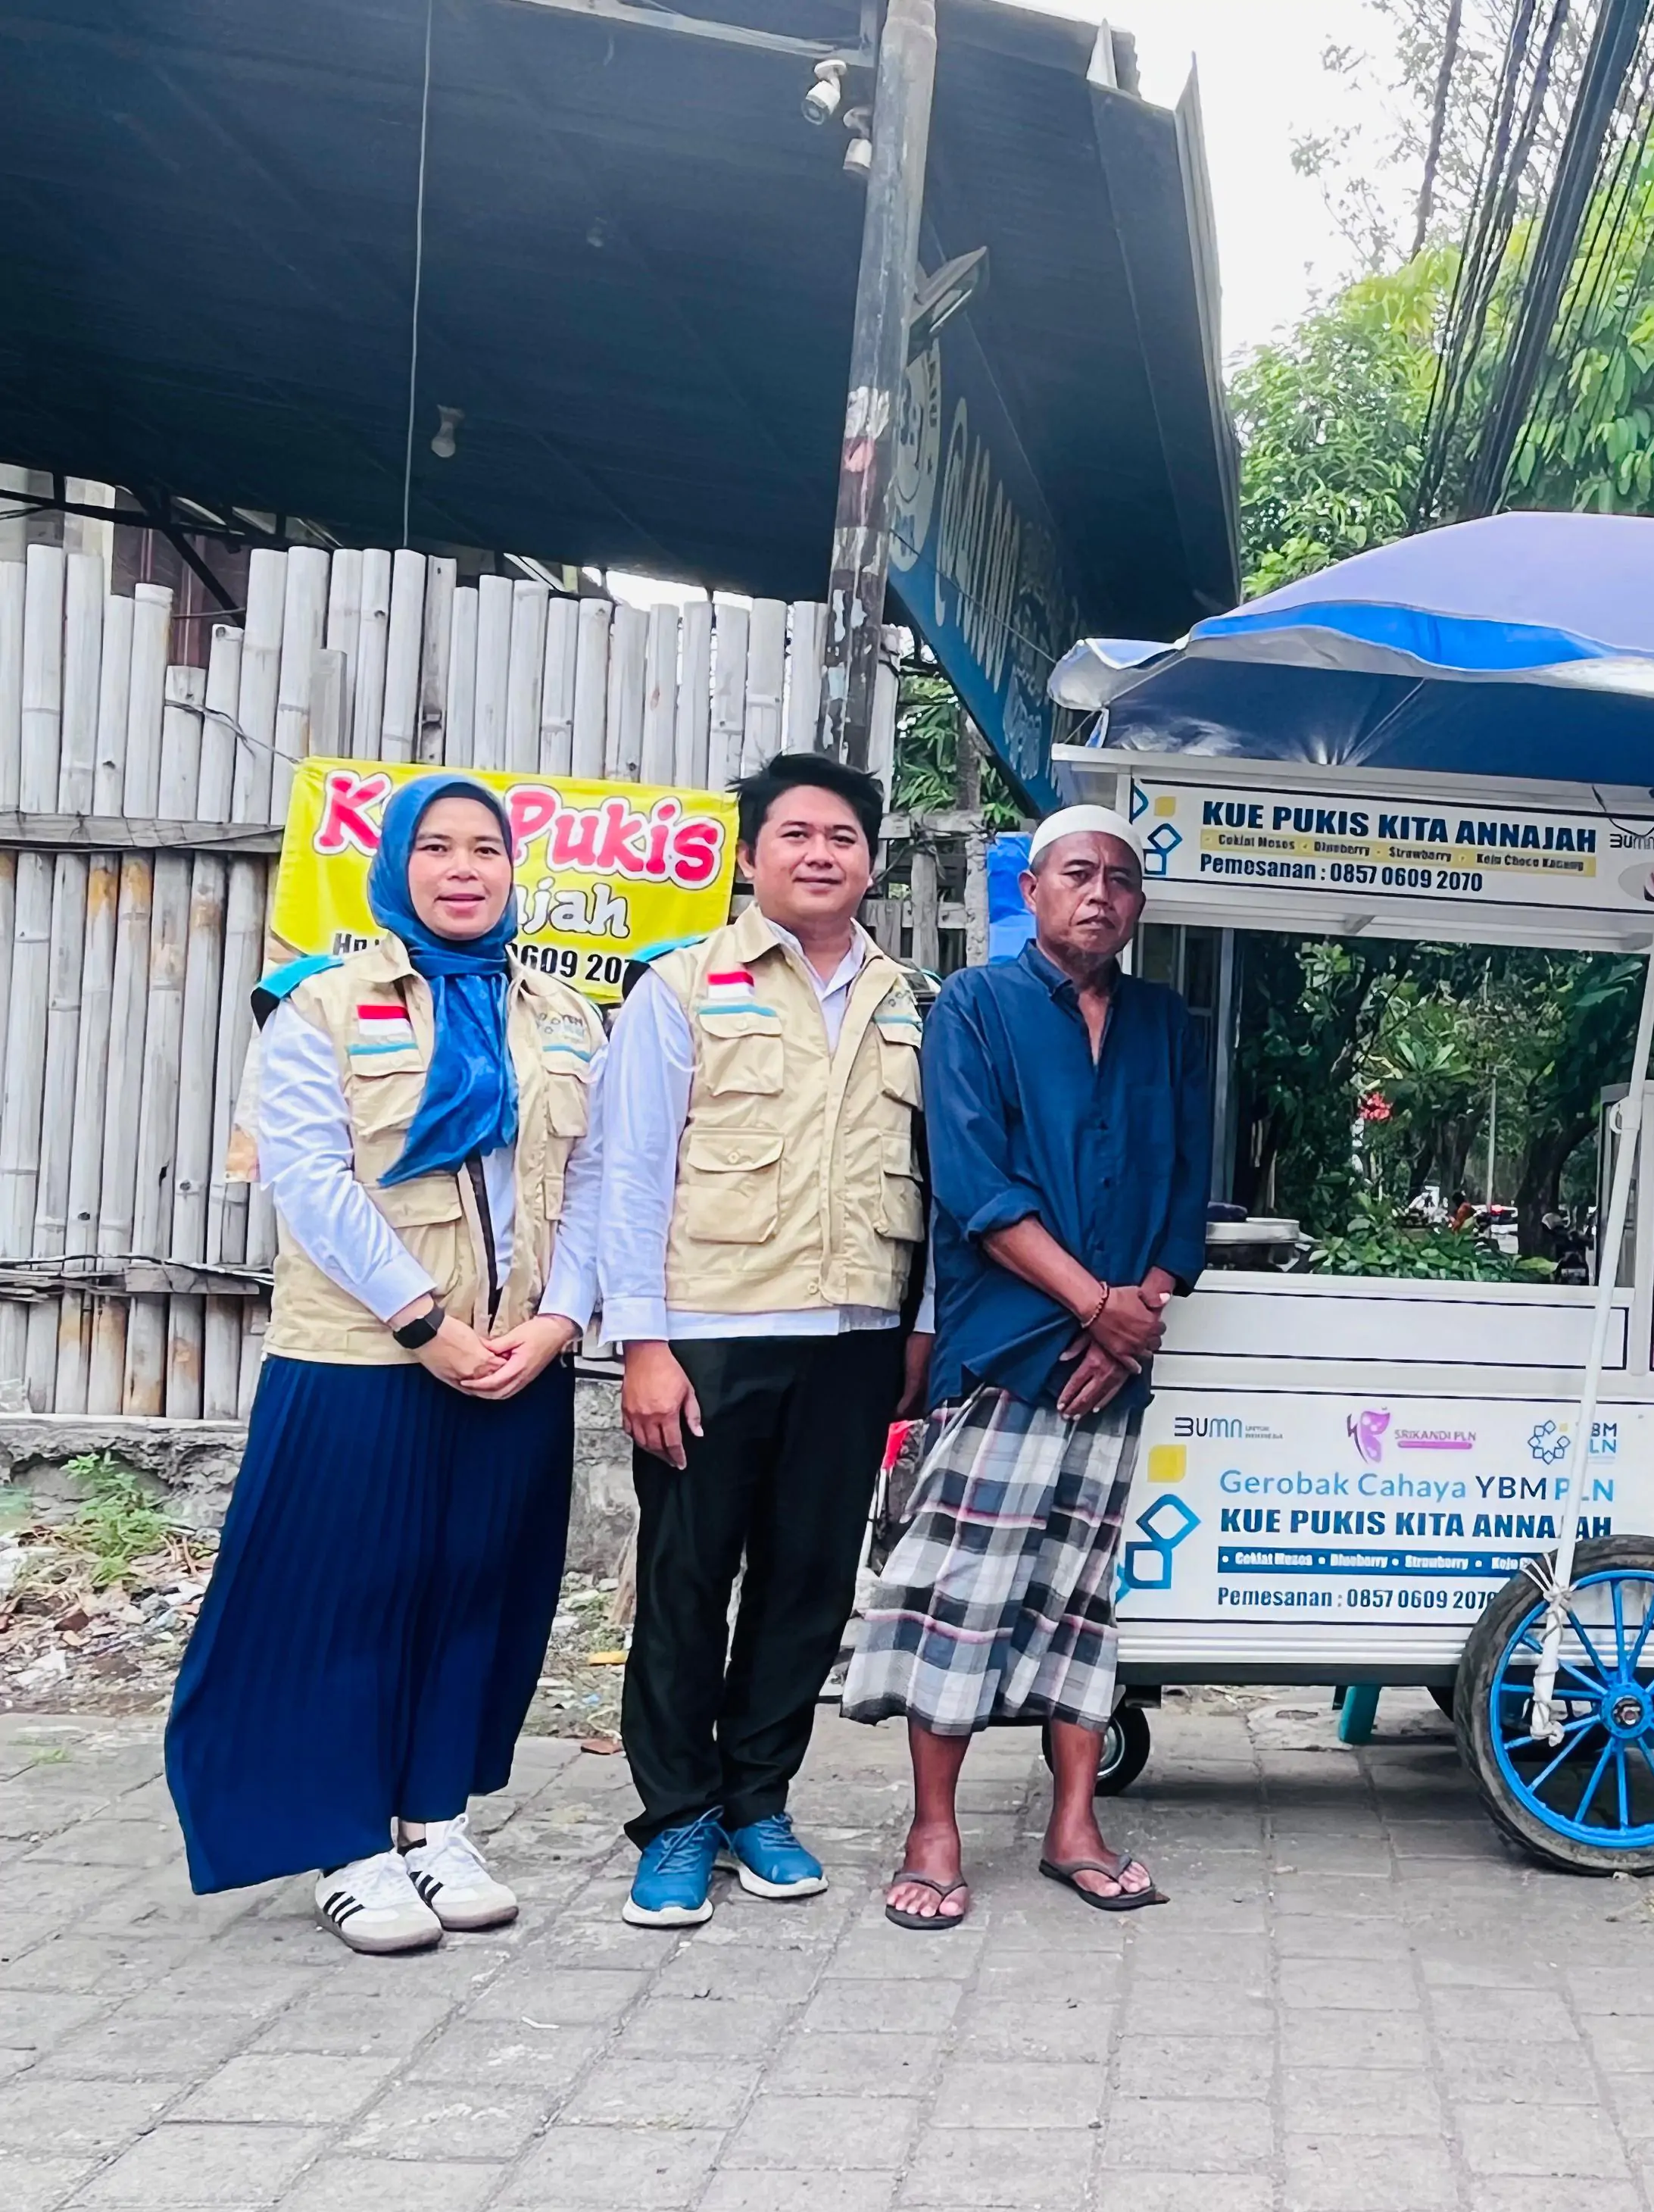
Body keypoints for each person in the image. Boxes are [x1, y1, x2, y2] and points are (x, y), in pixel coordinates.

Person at [165, 775, 603, 1952]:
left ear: (513, 871)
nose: (464, 870)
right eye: (437, 848)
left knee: (475, 1590)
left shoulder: (562, 1014)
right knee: (343, 1595)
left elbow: (596, 1179)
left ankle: (435, 1821)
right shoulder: (319, 1003)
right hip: (360, 1356)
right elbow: (311, 1181)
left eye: (486, 849)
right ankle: (348, 1845)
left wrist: (558, 1323)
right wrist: (425, 1325)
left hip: (517, 1356)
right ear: (395, 866)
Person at [844, 806, 1209, 1929]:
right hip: (1006, 1352)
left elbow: (1185, 1192)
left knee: (1081, 1599)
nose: (1101, 894)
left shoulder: (1167, 1024)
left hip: (1114, 1365)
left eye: (1122, 879)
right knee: (963, 1596)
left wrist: (1134, 1314)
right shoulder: (974, 1007)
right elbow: (975, 1186)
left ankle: (1074, 1827)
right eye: (1078, 874)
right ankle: (934, 1832)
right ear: (1034, 890)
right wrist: (1096, 1311)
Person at [595, 752, 930, 1928]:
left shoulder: (912, 1003)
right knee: (687, 1581)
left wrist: (920, 1328)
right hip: (710, 1336)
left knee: (808, 1585)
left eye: (843, 837)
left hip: (855, 1337)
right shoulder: (682, 987)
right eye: (796, 834)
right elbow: (630, 1170)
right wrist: (642, 1341)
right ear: (749, 858)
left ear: (871, 862)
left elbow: (937, 1181)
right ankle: (677, 1817)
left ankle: (758, 1803)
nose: (820, 854)